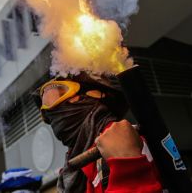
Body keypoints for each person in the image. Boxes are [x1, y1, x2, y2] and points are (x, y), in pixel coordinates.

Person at [33, 72, 163, 193]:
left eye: (59, 93)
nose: (49, 111)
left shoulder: (124, 142)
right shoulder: (72, 167)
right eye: (45, 107)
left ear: (94, 93)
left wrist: (126, 166)